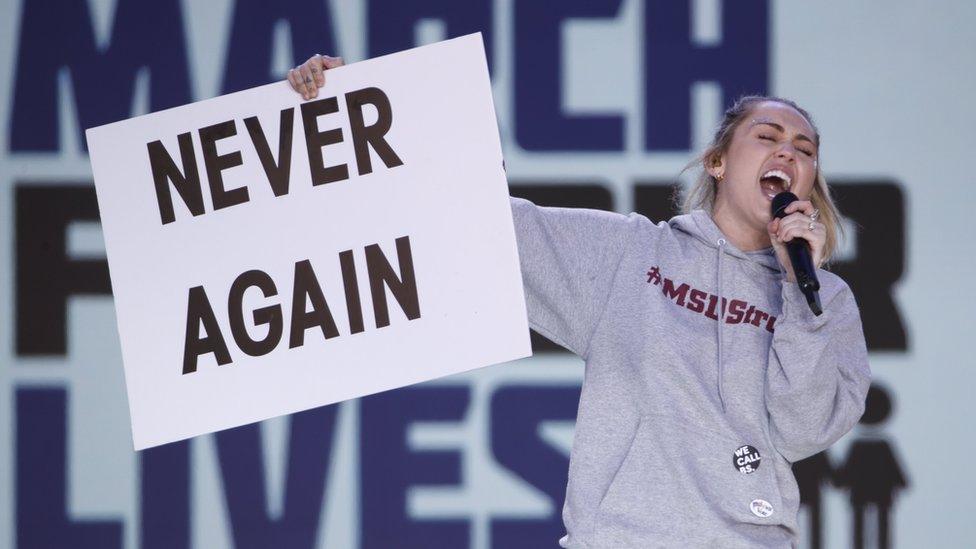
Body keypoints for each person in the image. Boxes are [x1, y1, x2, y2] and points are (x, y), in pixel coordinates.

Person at [288, 54, 871, 548]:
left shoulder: (825, 301)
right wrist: (354, 108)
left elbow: (804, 429)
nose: (787, 153)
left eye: (805, 149)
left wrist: (801, 299)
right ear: (718, 162)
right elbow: (482, 223)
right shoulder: (629, 255)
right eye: (766, 137)